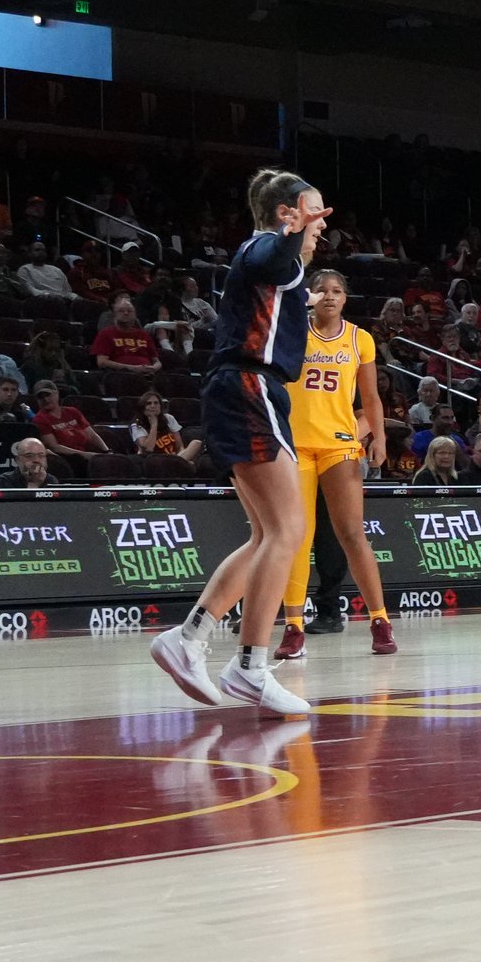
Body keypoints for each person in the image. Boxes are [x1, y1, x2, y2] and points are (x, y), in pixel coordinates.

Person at [147, 168, 329, 716]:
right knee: (289, 530)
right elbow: (270, 254)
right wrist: (291, 235)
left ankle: (188, 638)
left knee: (266, 535)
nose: (321, 225)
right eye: (314, 213)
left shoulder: (278, 265)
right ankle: (250, 666)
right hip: (249, 387)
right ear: (287, 214)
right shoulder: (265, 250)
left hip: (243, 390)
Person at [270, 269, 396, 660]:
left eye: (337, 290)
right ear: (308, 295)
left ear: (345, 298)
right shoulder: (292, 331)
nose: (329, 295)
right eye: (321, 289)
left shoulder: (360, 339)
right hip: (295, 444)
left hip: (339, 443)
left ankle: (380, 621)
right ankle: (294, 627)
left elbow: (371, 397)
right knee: (297, 537)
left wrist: (379, 437)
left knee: (353, 534)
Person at [0, 435, 65, 489]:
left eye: (41, 455)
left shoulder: (51, 480)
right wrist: (33, 484)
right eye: (29, 456)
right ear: (18, 460)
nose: (36, 460)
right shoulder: (2, 482)